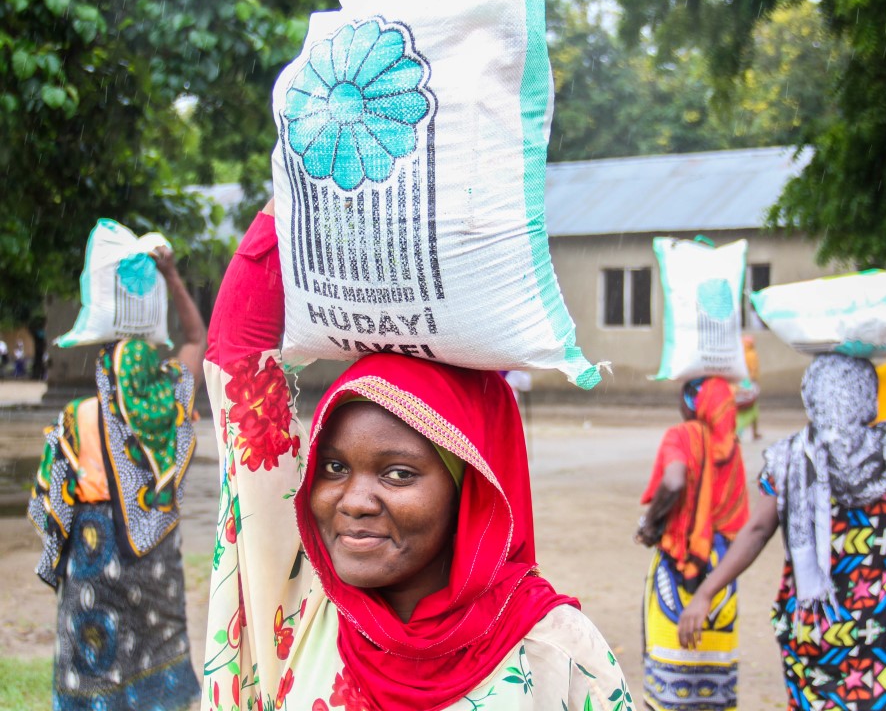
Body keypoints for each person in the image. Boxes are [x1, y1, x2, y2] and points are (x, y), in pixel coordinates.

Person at [201, 207, 635, 710]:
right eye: (334, 467)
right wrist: (295, 195)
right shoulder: (299, 603)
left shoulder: (555, 652)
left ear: (470, 491)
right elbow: (239, 366)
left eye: (398, 473)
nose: (355, 501)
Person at [28, 245, 205, 711]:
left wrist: (55, 550)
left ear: (106, 373)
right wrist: (170, 275)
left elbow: (51, 504)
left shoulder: (76, 416)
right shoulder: (170, 403)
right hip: (156, 559)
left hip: (92, 557)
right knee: (158, 642)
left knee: (93, 665)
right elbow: (196, 338)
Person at [678, 354, 886, 711]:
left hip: (818, 629)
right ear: (871, 400)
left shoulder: (792, 457)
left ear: (811, 398)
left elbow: (756, 531)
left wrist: (706, 592)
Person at [635, 377, 749, 711]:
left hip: (679, 562)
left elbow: (673, 480)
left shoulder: (682, 437)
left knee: (668, 681)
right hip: (722, 577)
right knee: (713, 685)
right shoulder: (733, 449)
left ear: (692, 402)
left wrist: (649, 525)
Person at [734, 334, 762, 440]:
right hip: (748, 384)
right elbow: (754, 373)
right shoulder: (751, 355)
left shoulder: (740, 355)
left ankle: (742, 433)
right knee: (750, 409)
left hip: (743, 384)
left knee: (742, 410)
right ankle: (749, 432)